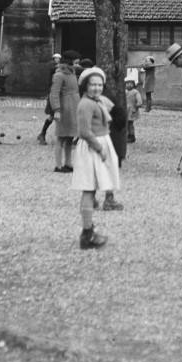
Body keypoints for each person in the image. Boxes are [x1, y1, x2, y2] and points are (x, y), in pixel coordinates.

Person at [73, 67, 120, 249]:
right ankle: (87, 235)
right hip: (92, 148)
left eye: (100, 85)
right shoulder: (86, 104)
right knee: (89, 189)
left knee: (91, 190)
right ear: (85, 86)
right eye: (93, 84)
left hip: (99, 145)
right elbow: (84, 132)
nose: (96, 88)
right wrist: (100, 148)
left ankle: (88, 231)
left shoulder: (97, 101)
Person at [50, 49, 81, 173]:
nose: (77, 65)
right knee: (61, 137)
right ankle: (58, 165)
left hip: (74, 107)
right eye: (75, 63)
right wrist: (56, 110)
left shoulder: (72, 73)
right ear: (68, 62)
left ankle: (68, 163)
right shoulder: (59, 75)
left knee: (70, 137)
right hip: (64, 108)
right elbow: (54, 93)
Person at [37, 53, 62, 144]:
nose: (57, 60)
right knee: (52, 116)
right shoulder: (53, 66)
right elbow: (52, 69)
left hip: (61, 95)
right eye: (56, 58)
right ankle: (42, 134)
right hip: (54, 94)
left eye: (59, 58)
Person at [125, 77, 141, 142]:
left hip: (131, 110)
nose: (129, 84)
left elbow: (139, 102)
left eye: (131, 83)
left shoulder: (135, 92)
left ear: (134, 84)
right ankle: (127, 135)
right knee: (126, 124)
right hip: (125, 110)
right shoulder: (124, 91)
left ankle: (132, 136)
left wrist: (135, 108)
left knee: (130, 124)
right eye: (127, 83)